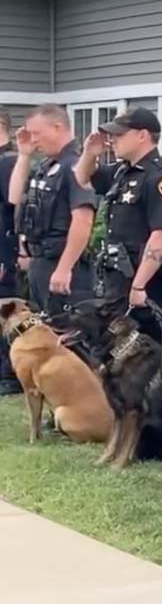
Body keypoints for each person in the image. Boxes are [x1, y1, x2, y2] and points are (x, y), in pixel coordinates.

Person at [73, 107, 162, 344]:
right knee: (113, 353)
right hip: (117, 277)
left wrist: (139, 286)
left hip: (144, 281)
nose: (112, 139)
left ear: (142, 135)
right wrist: (89, 153)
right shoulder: (123, 171)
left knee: (143, 355)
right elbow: (82, 178)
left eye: (120, 134)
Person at [6, 104, 96, 316]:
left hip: (64, 265)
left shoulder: (75, 165)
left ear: (56, 128)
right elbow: (14, 198)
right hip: (41, 263)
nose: (33, 139)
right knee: (43, 332)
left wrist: (64, 268)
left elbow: (83, 220)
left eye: (36, 133)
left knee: (65, 336)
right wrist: (24, 156)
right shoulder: (48, 166)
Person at [0, 111, 21, 394]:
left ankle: (8, 374)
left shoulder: (9, 163)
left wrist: (6, 256)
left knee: (5, 311)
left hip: (3, 249)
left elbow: (12, 215)